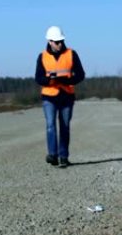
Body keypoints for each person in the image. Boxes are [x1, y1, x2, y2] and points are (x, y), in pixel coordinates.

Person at [35, 26, 85, 168]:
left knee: (65, 126)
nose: (60, 44)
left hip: (66, 95)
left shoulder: (71, 54)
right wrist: (50, 80)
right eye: (56, 42)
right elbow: (38, 78)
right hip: (49, 96)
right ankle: (52, 155)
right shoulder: (42, 56)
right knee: (50, 125)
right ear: (50, 42)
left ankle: (63, 156)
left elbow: (80, 75)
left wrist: (66, 80)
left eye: (61, 41)